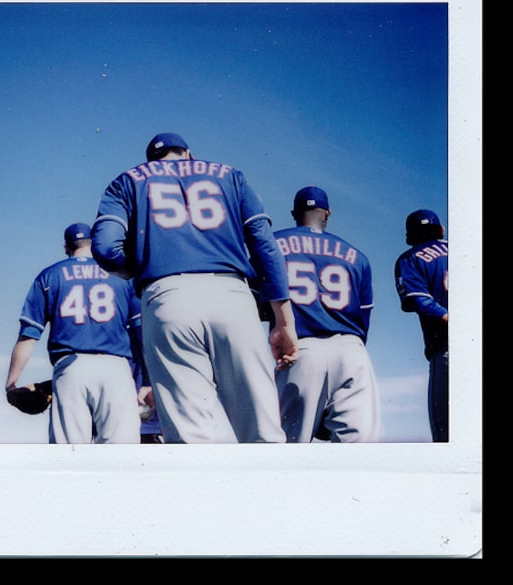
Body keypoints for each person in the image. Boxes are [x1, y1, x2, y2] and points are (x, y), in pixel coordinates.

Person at [91, 132, 298, 443]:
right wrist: (283, 320)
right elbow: (264, 244)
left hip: (167, 296)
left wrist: (145, 266)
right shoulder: (230, 175)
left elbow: (106, 249)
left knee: (191, 441)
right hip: (232, 296)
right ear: (188, 154)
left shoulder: (127, 180)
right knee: (263, 433)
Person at [5, 223, 142, 444]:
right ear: (94, 244)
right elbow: (139, 331)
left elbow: (29, 335)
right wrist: (144, 381)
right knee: (122, 459)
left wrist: (11, 383)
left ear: (66, 247)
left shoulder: (50, 275)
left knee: (69, 460)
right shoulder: (122, 276)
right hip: (116, 368)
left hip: (70, 368)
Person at [272, 186, 382, 443]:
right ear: (327, 213)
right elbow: (364, 319)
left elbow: (258, 300)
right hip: (352, 351)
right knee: (359, 459)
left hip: (300, 350)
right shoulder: (357, 256)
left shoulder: (274, 244)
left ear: (295, 214)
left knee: (287, 452)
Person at [394, 209, 449, 442]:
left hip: (446, 348)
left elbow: (418, 299)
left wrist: (448, 317)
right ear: (441, 230)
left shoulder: (410, 258)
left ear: (410, 236)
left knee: (446, 435)